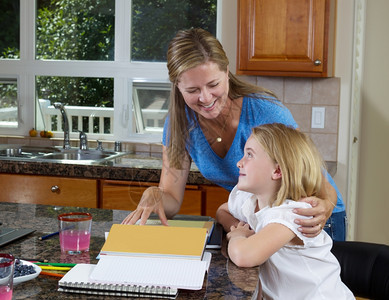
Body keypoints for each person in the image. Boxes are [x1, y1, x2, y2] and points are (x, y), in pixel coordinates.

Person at [122, 28, 346, 241]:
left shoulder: (265, 111)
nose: (206, 98)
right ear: (177, 87)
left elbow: (316, 178)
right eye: (193, 90)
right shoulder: (179, 125)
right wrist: (155, 195)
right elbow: (171, 198)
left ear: (226, 73)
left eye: (213, 84)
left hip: (312, 218)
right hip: (263, 219)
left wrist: (325, 207)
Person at [222, 123, 354, 299]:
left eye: (249, 155)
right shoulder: (250, 199)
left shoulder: (293, 214)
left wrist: (238, 236)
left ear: (277, 170)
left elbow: (243, 256)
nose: (239, 163)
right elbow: (222, 211)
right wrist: (245, 231)